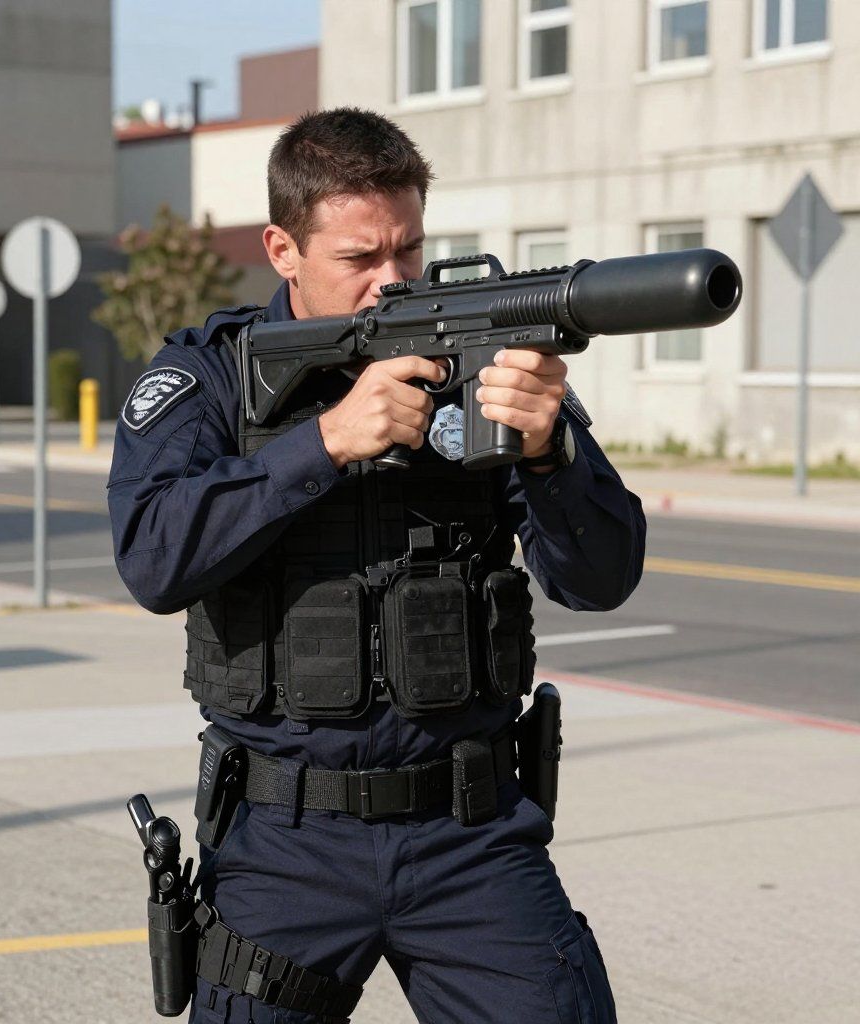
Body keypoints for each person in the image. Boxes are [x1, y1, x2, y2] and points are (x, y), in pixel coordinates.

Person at [109, 107, 645, 1024]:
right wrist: (323, 444)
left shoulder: (480, 365)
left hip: (468, 831)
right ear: (283, 249)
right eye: (360, 260)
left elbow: (602, 577)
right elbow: (154, 560)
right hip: (286, 837)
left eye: (409, 250)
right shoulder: (211, 380)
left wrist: (550, 448)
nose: (392, 283)